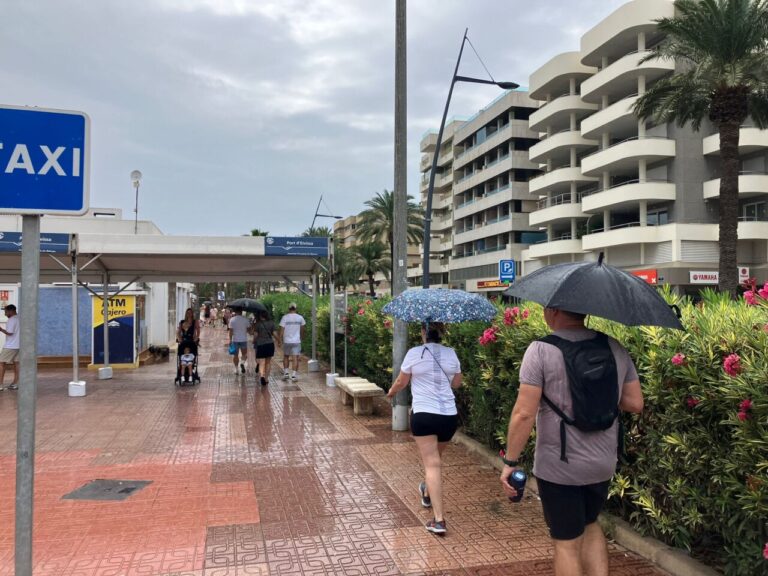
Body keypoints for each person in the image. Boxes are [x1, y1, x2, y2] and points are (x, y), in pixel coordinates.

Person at [499, 307, 643, 576]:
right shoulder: (613, 346)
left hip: (560, 465)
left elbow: (524, 413)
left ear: (552, 312)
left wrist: (510, 461)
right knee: (590, 523)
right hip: (602, 462)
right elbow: (635, 403)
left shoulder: (540, 350)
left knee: (566, 543)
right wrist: (598, 396)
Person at [386, 322, 462, 535]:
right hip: (448, 416)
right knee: (436, 460)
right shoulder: (451, 353)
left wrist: (391, 392)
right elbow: (457, 383)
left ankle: (439, 521)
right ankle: (427, 492)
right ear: (442, 333)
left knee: (432, 465)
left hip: (424, 415)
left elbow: (402, 381)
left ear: (423, 332)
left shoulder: (414, 353)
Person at [279, 303, 305, 381]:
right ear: (296, 309)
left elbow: (282, 330)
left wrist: (280, 340)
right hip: (296, 341)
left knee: (286, 356)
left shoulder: (285, 317)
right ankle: (294, 375)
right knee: (295, 358)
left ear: (289, 309)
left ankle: (286, 373)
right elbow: (302, 329)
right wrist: (301, 337)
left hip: (287, 341)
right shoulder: (300, 318)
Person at [252, 310, 278, 386]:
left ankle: (262, 376)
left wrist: (254, 341)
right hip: (270, 344)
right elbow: (274, 333)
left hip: (260, 344)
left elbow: (255, 335)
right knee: (268, 362)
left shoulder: (258, 324)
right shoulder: (271, 323)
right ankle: (266, 378)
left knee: (261, 362)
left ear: (260, 316)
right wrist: (279, 340)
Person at [0, 304, 20, 391]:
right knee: (17, 363)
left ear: (11, 311)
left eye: (6, 312)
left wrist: (1, 329)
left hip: (10, 346)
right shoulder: (20, 318)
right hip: (19, 345)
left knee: (1, 363)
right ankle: (15, 383)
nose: (5, 314)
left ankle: (0, 384)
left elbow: (10, 332)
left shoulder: (12, 320)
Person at [228, 307, 249, 375]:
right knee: (244, 355)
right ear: (241, 311)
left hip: (235, 340)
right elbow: (249, 330)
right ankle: (242, 363)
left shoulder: (232, 320)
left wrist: (230, 340)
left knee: (235, 355)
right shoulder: (245, 319)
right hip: (243, 339)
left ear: (235, 311)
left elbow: (230, 331)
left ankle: (236, 369)